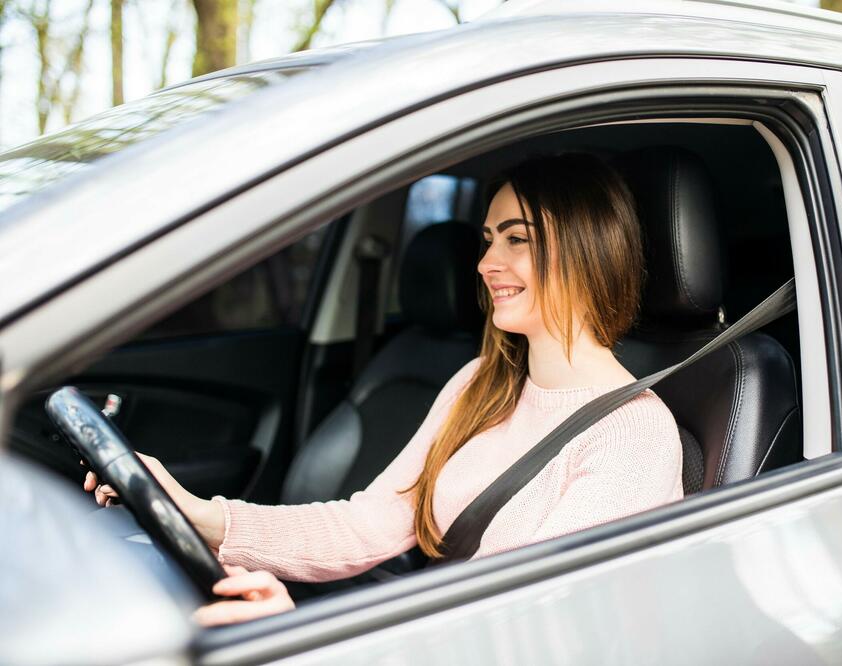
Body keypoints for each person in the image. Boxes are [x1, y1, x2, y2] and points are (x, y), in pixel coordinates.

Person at [85, 152, 684, 626]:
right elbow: (371, 523)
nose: (484, 263)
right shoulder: (480, 381)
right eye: (487, 239)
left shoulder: (632, 436)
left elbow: (527, 633)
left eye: (516, 238)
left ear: (588, 249)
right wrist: (191, 513)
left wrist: (304, 642)